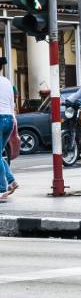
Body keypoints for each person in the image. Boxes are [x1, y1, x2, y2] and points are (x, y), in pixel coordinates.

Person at [0, 58, 17, 201]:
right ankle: (12, 181)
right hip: (9, 120)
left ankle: (1, 190)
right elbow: (12, 105)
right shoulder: (7, 82)